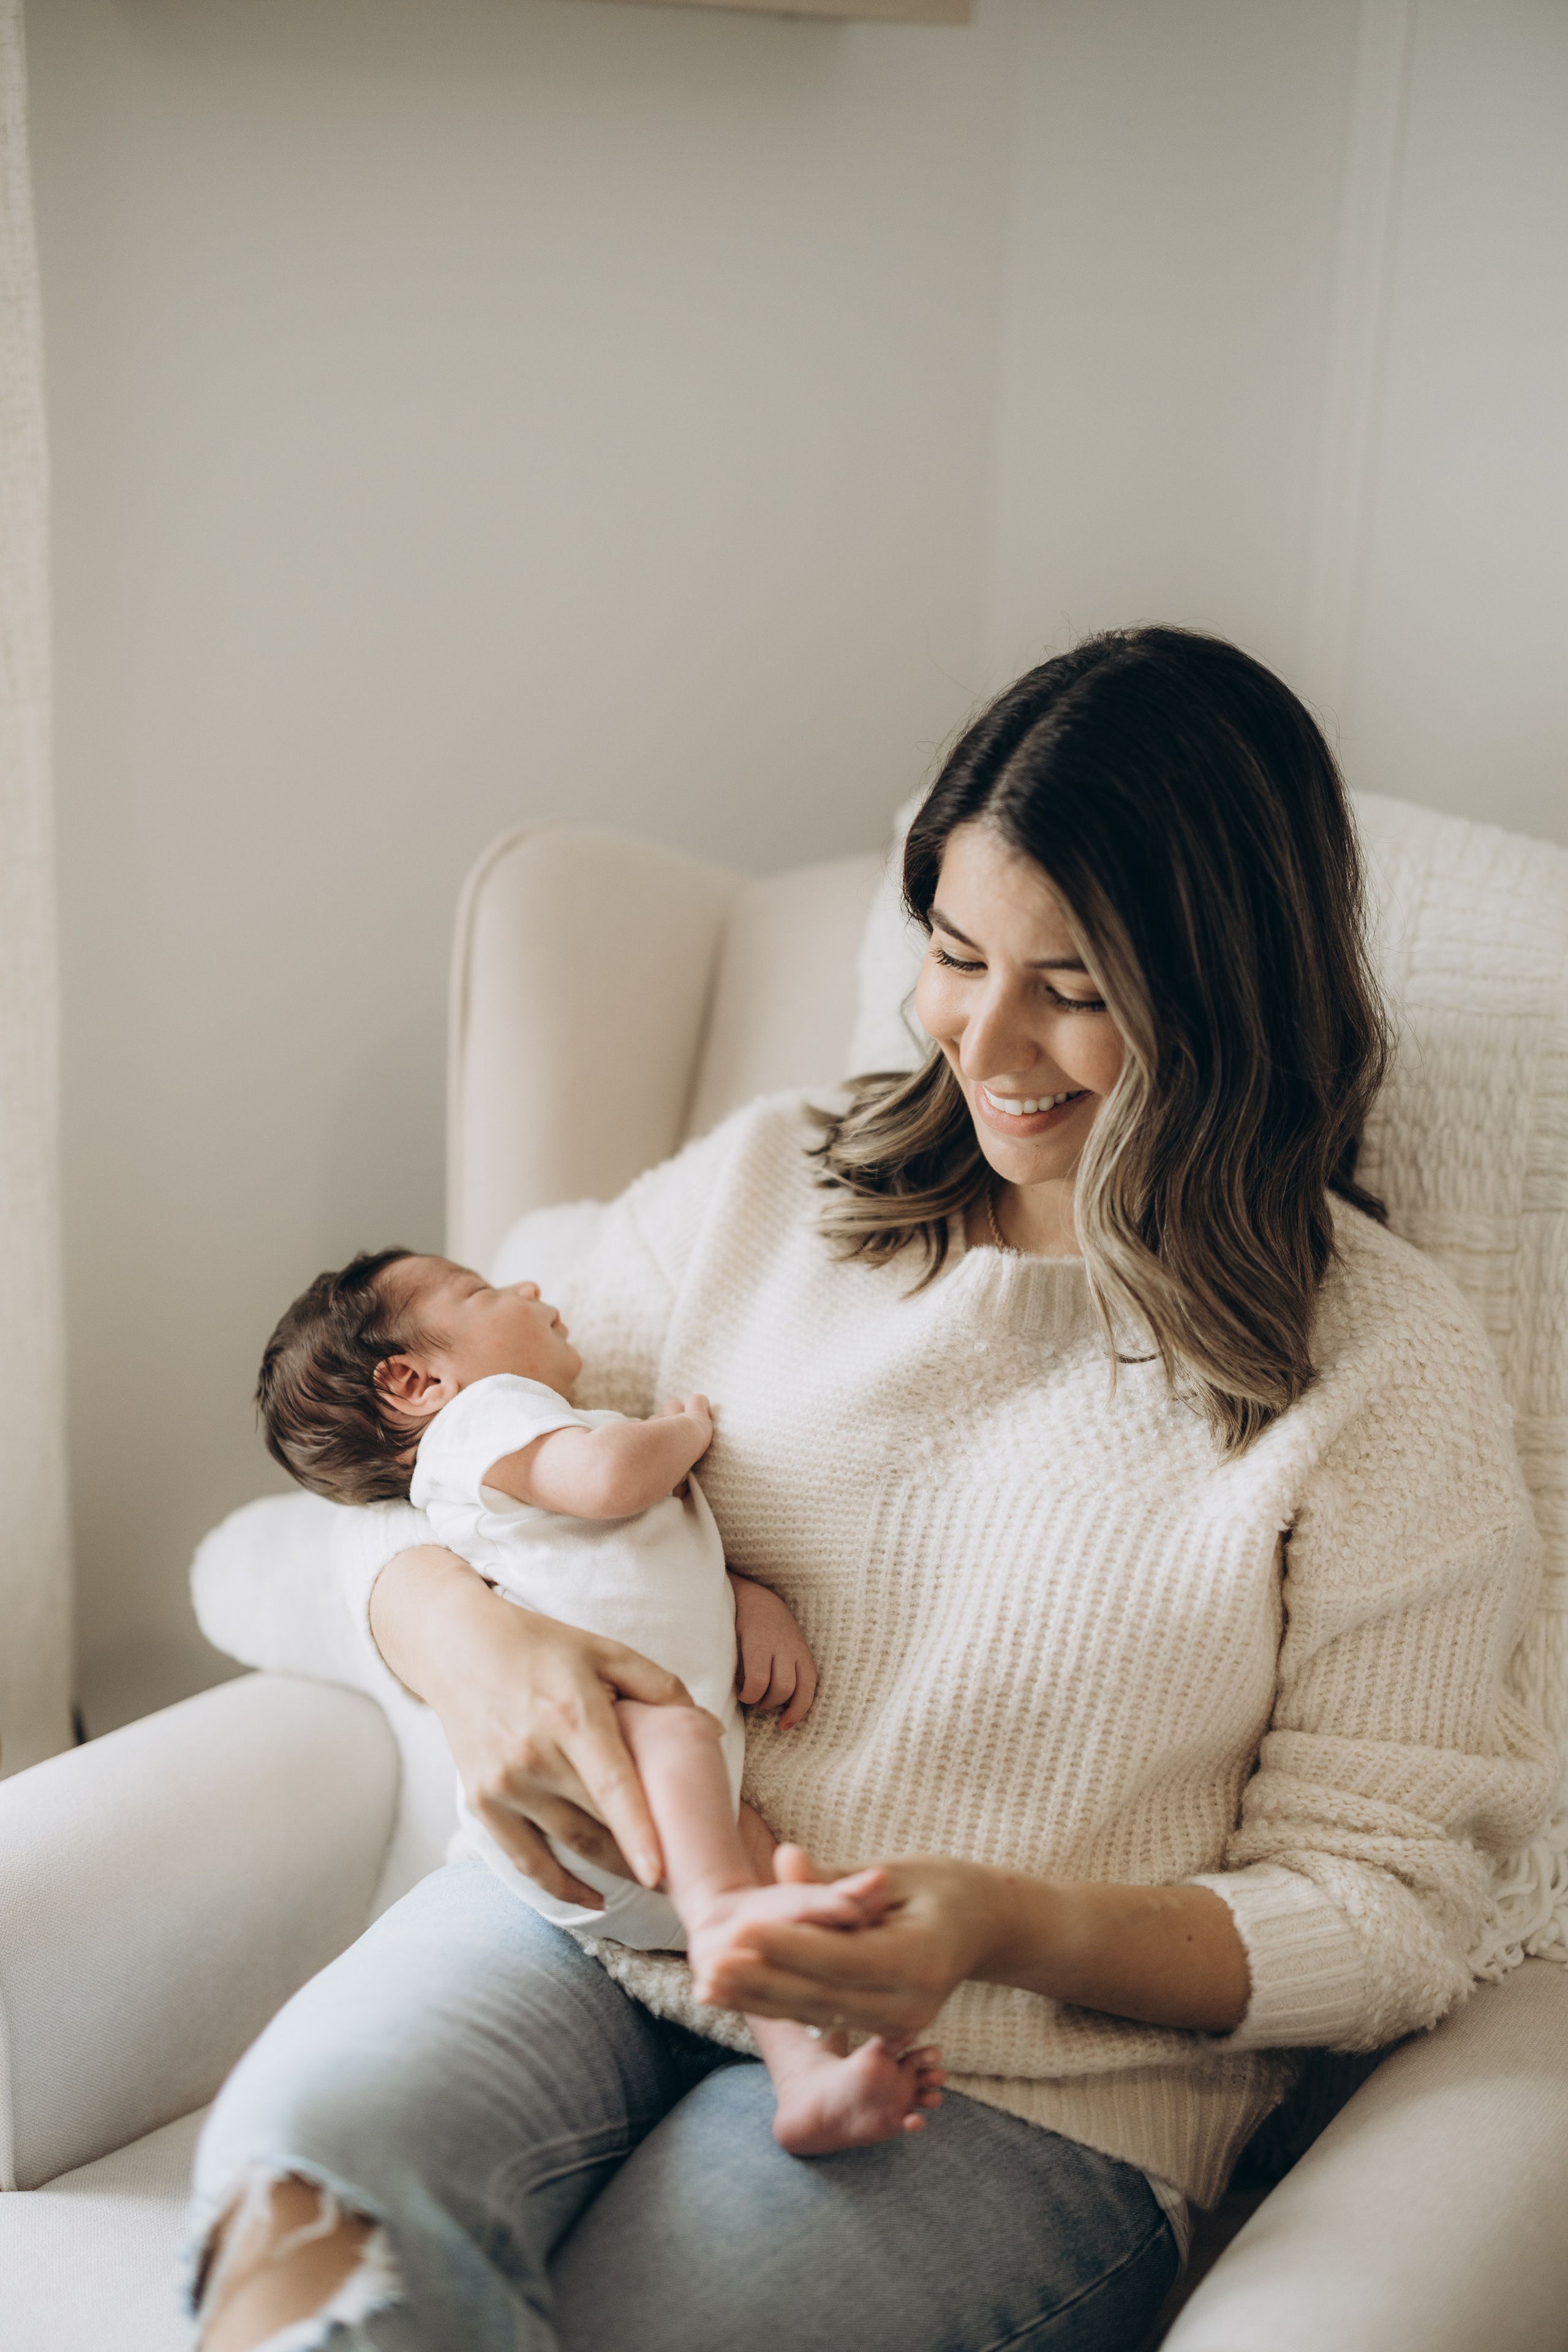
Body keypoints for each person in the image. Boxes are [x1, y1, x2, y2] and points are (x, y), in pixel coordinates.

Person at [187, 626, 1556, 2352]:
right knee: (300, 2195)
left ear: (1230, 989)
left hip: (1020, 2088)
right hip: (591, 1942)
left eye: (1071, 986)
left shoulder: (1376, 1368)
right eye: (955, 952)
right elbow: (295, 1532)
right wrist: (459, 1638)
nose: (985, 1041)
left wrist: (1005, 1923)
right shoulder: (778, 1183)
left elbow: (1394, 1916)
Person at [252, 1245, 943, 2154]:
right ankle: (721, 1915)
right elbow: (613, 1483)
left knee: (755, 1852)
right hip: (604, 1764)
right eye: (483, 1291)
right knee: (689, 1757)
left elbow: (638, 1565)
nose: (531, 1289)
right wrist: (685, 1431)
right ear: (417, 1380)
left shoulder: (512, 1460)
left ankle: (805, 2072)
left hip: (617, 1814)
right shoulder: (482, 1424)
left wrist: (746, 1600)